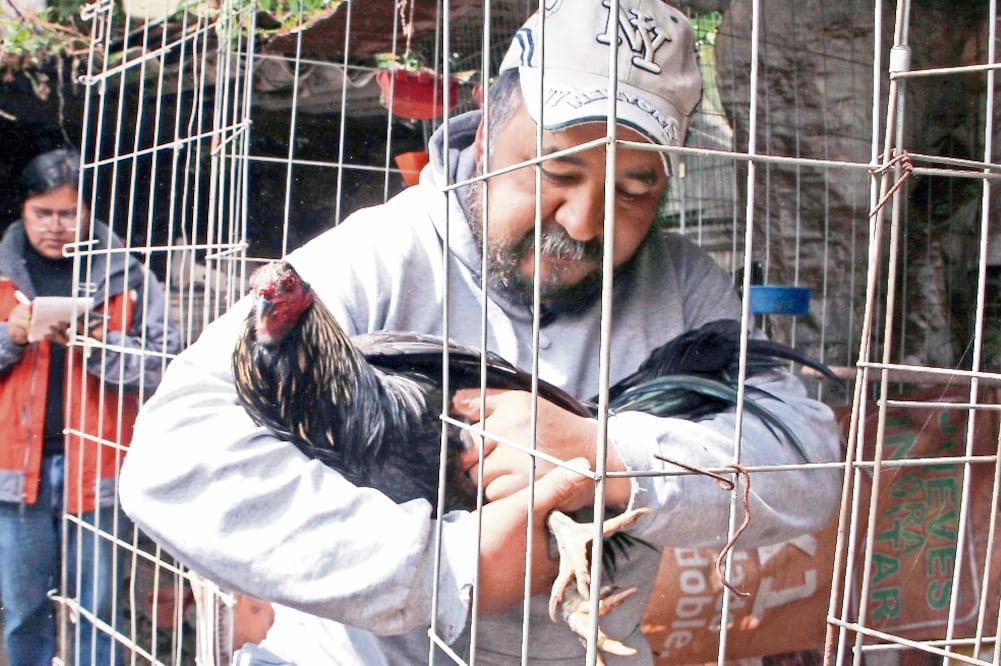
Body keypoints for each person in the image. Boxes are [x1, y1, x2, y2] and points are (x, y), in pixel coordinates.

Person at [120, 1, 843, 664]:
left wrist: (608, 454)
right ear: (486, 125)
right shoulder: (377, 256)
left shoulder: (682, 284)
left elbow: (806, 466)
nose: (583, 222)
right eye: (556, 169)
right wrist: (447, 566)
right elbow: (170, 460)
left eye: (635, 188)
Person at [0, 148, 181, 665]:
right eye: (43, 213)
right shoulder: (0, 274)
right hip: (14, 468)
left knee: (98, 608)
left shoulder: (129, 276)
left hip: (98, 466)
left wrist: (102, 348)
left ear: (89, 213)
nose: (56, 227)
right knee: (21, 607)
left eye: (68, 213)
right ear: (23, 209)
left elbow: (168, 365)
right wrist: (9, 338)